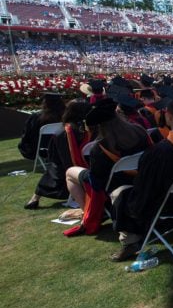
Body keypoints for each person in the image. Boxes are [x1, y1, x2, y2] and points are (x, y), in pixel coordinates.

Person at [110, 88, 173, 261]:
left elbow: (145, 189)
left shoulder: (160, 151)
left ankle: (131, 241)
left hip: (172, 205)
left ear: (169, 117)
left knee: (120, 193)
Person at [62, 98, 151, 237]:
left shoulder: (99, 147)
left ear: (99, 126)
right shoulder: (139, 132)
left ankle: (86, 211)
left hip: (115, 187)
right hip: (143, 180)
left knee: (70, 173)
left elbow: (96, 183)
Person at [24, 99, 91, 209]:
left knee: (54, 168)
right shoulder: (88, 128)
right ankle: (35, 198)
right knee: (55, 168)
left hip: (67, 167)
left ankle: (35, 198)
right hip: (83, 164)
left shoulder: (63, 132)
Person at [18, 91, 66, 161]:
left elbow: (27, 135)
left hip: (42, 150)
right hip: (64, 148)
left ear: (45, 102)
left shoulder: (36, 117)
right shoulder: (66, 116)